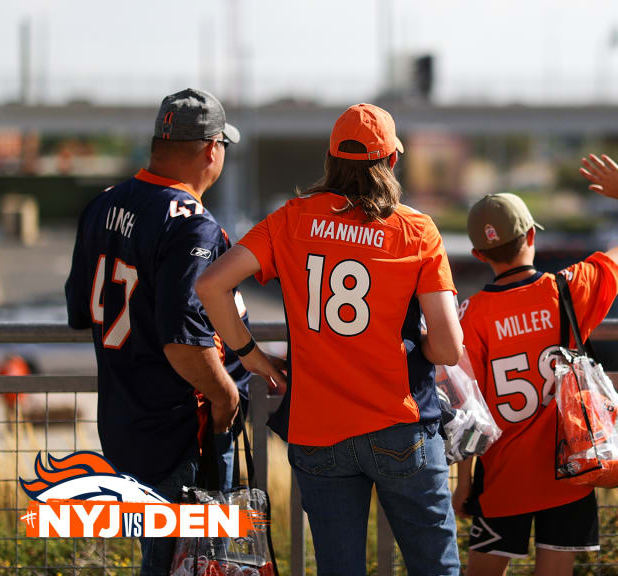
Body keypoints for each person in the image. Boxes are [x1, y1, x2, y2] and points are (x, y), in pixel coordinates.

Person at [195, 103, 463, 576]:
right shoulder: (417, 231)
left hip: (318, 431)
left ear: (330, 159)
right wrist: (416, 346)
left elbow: (210, 285)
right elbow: (448, 349)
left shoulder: (292, 219)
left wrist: (250, 354)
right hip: (399, 424)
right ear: (392, 162)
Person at [64, 88, 251, 575]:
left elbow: (82, 311)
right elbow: (182, 340)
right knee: (192, 564)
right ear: (212, 149)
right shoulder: (192, 225)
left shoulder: (103, 204)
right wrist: (226, 395)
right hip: (180, 430)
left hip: (125, 421)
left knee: (162, 558)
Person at [453, 154, 618, 576]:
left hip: (502, 478)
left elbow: (469, 408)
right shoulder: (568, 289)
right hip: (571, 473)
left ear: (478, 253)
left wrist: (464, 482)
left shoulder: (471, 316)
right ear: (531, 237)